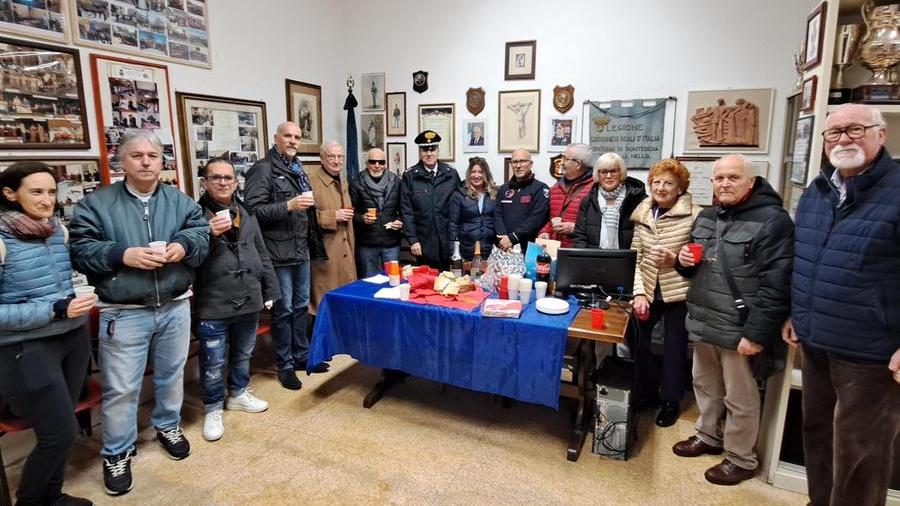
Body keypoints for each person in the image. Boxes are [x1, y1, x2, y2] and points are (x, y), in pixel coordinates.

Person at [69, 130, 209, 496]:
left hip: (176, 305)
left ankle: (167, 425)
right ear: (121, 160)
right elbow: (81, 249)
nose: (146, 162)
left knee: (171, 375)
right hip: (123, 310)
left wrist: (183, 245)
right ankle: (117, 451)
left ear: (162, 161)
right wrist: (121, 255)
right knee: (121, 388)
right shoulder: (96, 205)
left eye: (153, 155)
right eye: (137, 156)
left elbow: (201, 234)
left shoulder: (179, 201)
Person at [782, 103, 900, 506]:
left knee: (860, 452)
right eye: (833, 133)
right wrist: (796, 313)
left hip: (870, 349)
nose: (843, 139)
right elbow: (806, 257)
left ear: (880, 135)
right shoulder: (818, 190)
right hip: (816, 339)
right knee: (817, 434)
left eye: (855, 130)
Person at [671, 154, 793, 486]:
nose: (724, 183)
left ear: (751, 183)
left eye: (733, 178)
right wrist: (683, 261)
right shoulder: (707, 217)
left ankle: (741, 458)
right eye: (719, 178)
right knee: (705, 386)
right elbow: (694, 264)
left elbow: (778, 283)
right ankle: (708, 435)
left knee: (740, 397)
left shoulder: (773, 221)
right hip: (704, 320)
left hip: (740, 327)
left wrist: (756, 334)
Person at [0, 162, 97, 506]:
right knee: (60, 433)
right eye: (36, 192)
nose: (46, 200)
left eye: (52, 192)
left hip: (72, 336)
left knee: (61, 427)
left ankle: (53, 496)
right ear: (10, 194)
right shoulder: (1, 238)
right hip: (28, 348)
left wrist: (74, 299)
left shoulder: (57, 229)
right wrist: (52, 310)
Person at [193, 158, 279, 443]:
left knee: (243, 353)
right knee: (214, 361)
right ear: (204, 182)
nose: (223, 182)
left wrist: (271, 290)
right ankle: (213, 407)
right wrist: (208, 233)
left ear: (236, 182)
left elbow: (261, 252)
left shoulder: (245, 211)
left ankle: (239, 393)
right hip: (214, 301)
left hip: (248, 297)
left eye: (228, 178)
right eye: (215, 178)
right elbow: (188, 257)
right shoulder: (193, 215)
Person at [244, 122, 327, 390]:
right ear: (276, 138)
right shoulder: (263, 169)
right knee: (284, 310)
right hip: (277, 253)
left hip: (300, 249)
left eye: (297, 137)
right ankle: (285, 365)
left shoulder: (297, 168)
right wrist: (288, 205)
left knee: (301, 306)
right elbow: (253, 211)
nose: (292, 141)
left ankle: (301, 355)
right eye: (287, 136)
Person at [629, 158, 700, 427]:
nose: (660, 187)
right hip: (647, 288)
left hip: (679, 291)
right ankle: (649, 389)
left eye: (668, 183)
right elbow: (635, 257)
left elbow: (698, 259)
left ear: (680, 188)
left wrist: (676, 260)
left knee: (674, 348)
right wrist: (638, 294)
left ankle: (670, 401)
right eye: (656, 182)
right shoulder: (644, 212)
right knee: (634, 336)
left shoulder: (695, 214)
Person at [400, 130, 461, 270]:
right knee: (426, 283)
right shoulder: (409, 176)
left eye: (432, 149)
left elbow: (459, 207)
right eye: (424, 150)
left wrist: (457, 239)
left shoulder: (451, 174)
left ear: (438, 150)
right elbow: (406, 211)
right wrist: (413, 240)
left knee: (449, 283)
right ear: (420, 152)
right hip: (423, 242)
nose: (429, 153)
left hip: (448, 240)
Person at [308, 141, 357, 314]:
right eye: (331, 156)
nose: (337, 161)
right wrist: (332, 216)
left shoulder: (343, 181)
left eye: (340, 156)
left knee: (345, 303)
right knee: (324, 306)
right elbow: (302, 218)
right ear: (322, 158)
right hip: (325, 255)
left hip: (345, 253)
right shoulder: (311, 181)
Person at [572, 152, 646, 249]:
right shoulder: (588, 201)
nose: (608, 176)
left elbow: (644, 237)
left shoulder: (637, 199)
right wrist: (586, 259)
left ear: (621, 172)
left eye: (613, 171)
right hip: (593, 260)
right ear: (598, 174)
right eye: (604, 172)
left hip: (626, 260)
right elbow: (580, 236)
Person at [349, 148, 403, 277]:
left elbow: (405, 209)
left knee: (393, 282)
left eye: (381, 162)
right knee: (368, 284)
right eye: (373, 162)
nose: (377, 165)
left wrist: (400, 220)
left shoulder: (396, 182)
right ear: (367, 163)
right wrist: (362, 218)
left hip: (391, 243)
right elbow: (349, 212)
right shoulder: (356, 183)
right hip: (367, 244)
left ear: (385, 164)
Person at [538, 143, 595, 247]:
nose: (562, 162)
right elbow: (551, 219)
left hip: (578, 253)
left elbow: (599, 227)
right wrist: (545, 232)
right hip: (554, 250)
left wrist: (575, 229)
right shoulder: (555, 187)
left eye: (565, 159)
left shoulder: (594, 189)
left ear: (578, 164)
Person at [494, 148, 549, 251]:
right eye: (515, 162)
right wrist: (503, 238)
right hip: (505, 246)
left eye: (523, 161)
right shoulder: (503, 189)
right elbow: (498, 215)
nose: (518, 166)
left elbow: (536, 219)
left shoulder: (540, 188)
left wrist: (513, 238)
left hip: (529, 247)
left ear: (531, 164)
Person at [448, 157, 497, 261]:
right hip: (467, 250)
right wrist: (454, 251)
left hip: (490, 250)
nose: (476, 175)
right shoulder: (459, 195)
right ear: (469, 174)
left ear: (486, 174)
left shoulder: (494, 194)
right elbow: (453, 225)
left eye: (480, 172)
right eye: (473, 172)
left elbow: (500, 221)